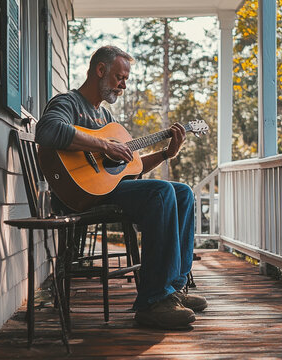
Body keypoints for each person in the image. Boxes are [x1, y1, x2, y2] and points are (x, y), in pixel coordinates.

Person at [35, 45, 207, 330]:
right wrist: (103, 144)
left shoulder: (107, 120)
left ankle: (173, 289)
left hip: (107, 190)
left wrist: (166, 154)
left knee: (182, 192)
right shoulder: (69, 102)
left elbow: (131, 168)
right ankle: (153, 301)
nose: (124, 85)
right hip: (79, 196)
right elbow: (47, 130)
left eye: (126, 79)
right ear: (100, 70)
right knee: (161, 193)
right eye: (120, 77)